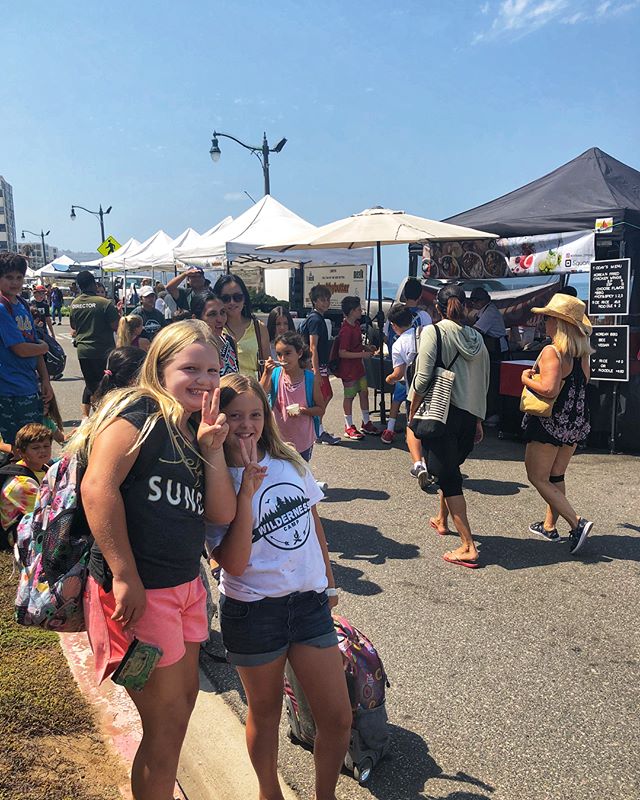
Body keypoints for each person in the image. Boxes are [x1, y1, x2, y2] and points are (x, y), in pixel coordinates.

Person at [70, 320, 237, 800]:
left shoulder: (192, 429)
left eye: (212, 369)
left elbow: (220, 512)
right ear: (160, 368)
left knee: (181, 708)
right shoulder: (140, 410)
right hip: (142, 590)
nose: (205, 380)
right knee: (164, 729)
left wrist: (213, 447)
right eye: (191, 368)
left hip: (185, 586)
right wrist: (124, 573)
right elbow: (98, 488)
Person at [206, 373, 352, 800]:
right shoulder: (215, 477)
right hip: (253, 612)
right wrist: (246, 491)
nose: (246, 424)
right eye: (234, 416)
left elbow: (313, 524)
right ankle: (268, 792)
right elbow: (232, 561)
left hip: (307, 604)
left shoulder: (287, 460)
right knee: (265, 713)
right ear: (217, 419)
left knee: (337, 716)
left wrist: (328, 582)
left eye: (254, 413)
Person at [409, 284, 489, 568]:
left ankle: (468, 545)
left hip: (441, 414)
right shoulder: (478, 338)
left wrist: (412, 407)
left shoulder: (434, 331)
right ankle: (441, 519)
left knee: (449, 478)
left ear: (439, 308)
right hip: (469, 415)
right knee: (450, 468)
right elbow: (484, 379)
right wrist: (478, 418)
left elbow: (422, 376)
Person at [521, 293, 594, 554]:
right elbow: (582, 383)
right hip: (574, 421)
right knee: (556, 475)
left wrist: (526, 379)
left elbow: (549, 390)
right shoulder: (581, 353)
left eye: (548, 318)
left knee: (536, 476)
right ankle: (550, 526)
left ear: (558, 323)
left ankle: (577, 523)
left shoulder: (552, 351)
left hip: (550, 421)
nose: (544, 322)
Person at [0, 253, 52, 446]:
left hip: (29, 386)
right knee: (18, 448)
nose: (15, 282)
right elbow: (20, 349)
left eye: (19, 277)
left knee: (34, 444)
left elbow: (35, 346)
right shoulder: (2, 308)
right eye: (8, 277)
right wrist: (45, 347)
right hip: (9, 391)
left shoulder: (21, 305)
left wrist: (45, 380)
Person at [260, 330, 323, 463]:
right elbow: (259, 394)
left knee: (300, 473)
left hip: (303, 440)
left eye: (288, 353)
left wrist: (303, 411)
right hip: (278, 439)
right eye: (279, 354)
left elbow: (320, 409)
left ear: (299, 353)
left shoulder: (310, 379)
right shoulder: (275, 375)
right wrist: (266, 373)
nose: (283, 358)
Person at [382, 304, 429, 474]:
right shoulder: (427, 332)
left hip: (414, 392)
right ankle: (433, 463)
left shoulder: (398, 344)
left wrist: (389, 379)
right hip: (435, 390)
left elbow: (398, 373)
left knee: (412, 428)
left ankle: (418, 464)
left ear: (394, 326)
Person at [70, 271, 120, 419]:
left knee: (92, 386)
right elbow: (116, 326)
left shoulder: (75, 304)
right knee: (107, 385)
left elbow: (73, 325)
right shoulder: (104, 303)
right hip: (103, 351)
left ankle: (95, 416)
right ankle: (105, 416)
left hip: (83, 351)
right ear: (93, 283)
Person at [300, 285, 341, 446]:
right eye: (322, 299)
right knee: (322, 397)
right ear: (315, 301)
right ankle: (318, 431)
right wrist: (316, 370)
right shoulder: (316, 319)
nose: (326, 302)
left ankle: (318, 429)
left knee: (324, 396)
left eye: (328, 299)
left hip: (318, 365)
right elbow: (313, 346)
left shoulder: (315, 318)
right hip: (316, 366)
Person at [0, 422, 52, 545]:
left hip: (33, 520)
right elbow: (45, 515)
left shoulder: (43, 467)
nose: (43, 451)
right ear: (22, 452)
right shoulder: (21, 484)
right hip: (14, 534)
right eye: (35, 448)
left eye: (46, 446)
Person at [336, 296, 379, 440]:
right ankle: (348, 426)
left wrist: (366, 347)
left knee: (364, 393)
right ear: (352, 311)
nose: (361, 311)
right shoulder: (346, 330)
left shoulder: (355, 326)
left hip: (358, 368)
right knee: (349, 396)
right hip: (348, 370)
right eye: (359, 309)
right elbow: (342, 353)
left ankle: (366, 422)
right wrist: (362, 353)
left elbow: (355, 346)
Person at [214, 274, 270, 379]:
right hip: (225, 390)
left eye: (237, 297)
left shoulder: (259, 328)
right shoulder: (215, 329)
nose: (232, 302)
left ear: (244, 298)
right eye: (226, 298)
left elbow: (267, 366)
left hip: (254, 390)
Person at [469, 287, 508, 426]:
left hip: (496, 350)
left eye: (476, 300)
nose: (473, 303)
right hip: (489, 349)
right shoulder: (482, 310)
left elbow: (477, 330)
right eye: (472, 300)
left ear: (484, 300)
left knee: (492, 381)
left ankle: (493, 413)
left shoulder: (490, 311)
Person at [190, 291, 238, 377]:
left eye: (223, 312)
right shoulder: (192, 348)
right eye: (212, 314)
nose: (220, 319)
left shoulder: (230, 342)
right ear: (195, 319)